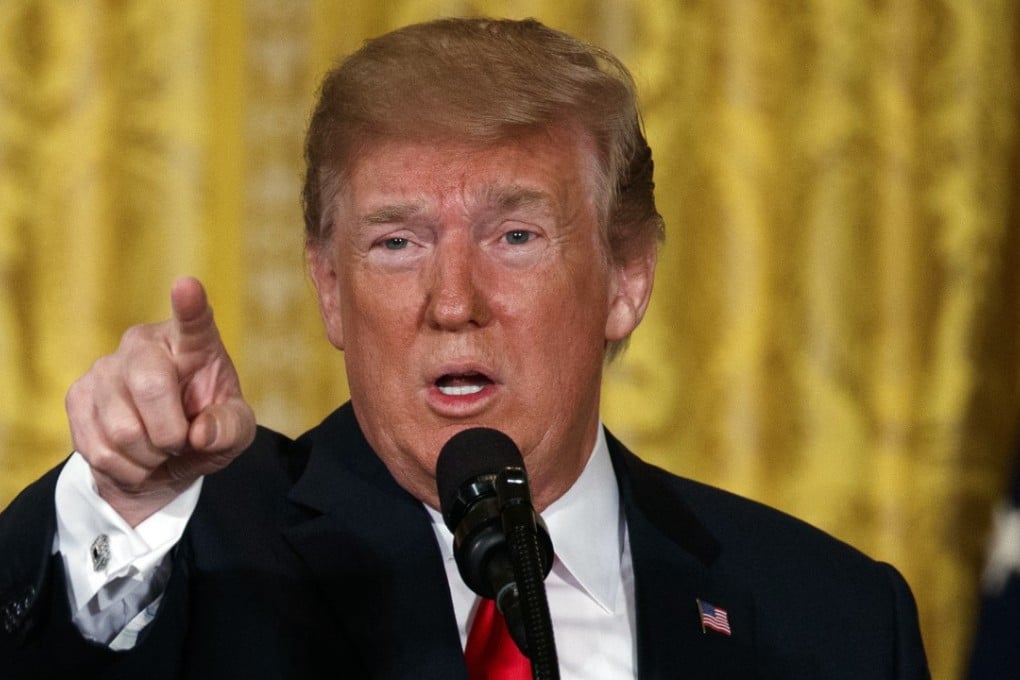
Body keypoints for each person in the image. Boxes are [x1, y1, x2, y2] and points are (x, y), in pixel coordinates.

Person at [0, 16, 929, 679]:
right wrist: (119, 501)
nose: (453, 303)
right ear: (329, 287)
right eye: (396, 242)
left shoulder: (834, 618)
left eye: (515, 237)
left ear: (627, 277)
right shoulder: (202, 557)